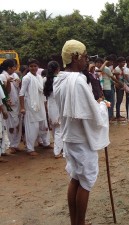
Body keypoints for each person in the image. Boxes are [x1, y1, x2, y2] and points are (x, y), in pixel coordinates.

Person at [54, 40, 110, 225]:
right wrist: (102, 106)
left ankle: (75, 222)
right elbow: (92, 113)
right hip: (81, 139)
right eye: (85, 56)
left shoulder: (60, 79)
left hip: (69, 136)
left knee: (76, 178)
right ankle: (80, 222)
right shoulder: (77, 81)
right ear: (75, 57)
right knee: (85, 181)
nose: (86, 60)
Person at [19, 59, 51, 156]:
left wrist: (45, 106)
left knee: (43, 124)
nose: (33, 68)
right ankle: (30, 148)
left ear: (38, 67)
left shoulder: (39, 77)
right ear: (28, 67)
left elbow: (43, 93)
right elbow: (21, 94)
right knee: (32, 127)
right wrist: (22, 108)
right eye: (31, 66)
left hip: (40, 104)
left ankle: (46, 143)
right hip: (30, 106)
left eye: (35, 66)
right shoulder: (26, 78)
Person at [43, 61, 63, 158]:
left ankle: (58, 147)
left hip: (50, 105)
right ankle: (57, 151)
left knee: (55, 128)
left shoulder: (45, 79)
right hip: (58, 104)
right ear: (57, 69)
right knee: (59, 128)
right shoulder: (59, 79)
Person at [0, 59, 20, 154]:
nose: (15, 68)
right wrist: (8, 82)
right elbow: (5, 92)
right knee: (10, 125)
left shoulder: (15, 74)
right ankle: (11, 145)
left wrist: (18, 82)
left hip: (16, 102)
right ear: (9, 68)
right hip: (8, 104)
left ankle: (15, 144)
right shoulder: (3, 76)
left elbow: (18, 87)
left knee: (17, 124)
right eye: (14, 67)